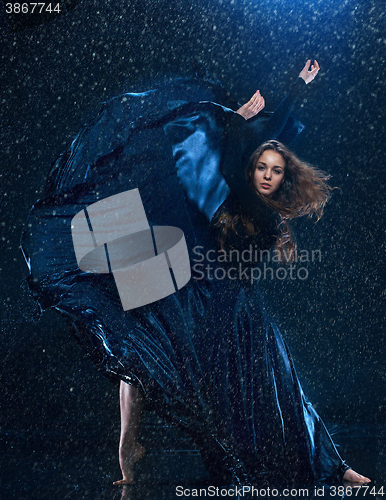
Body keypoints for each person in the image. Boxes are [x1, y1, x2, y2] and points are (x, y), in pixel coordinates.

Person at [21, 59, 370, 487]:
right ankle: (129, 446)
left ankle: (329, 466)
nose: (266, 175)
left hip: (219, 296)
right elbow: (239, 135)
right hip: (185, 268)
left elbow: (268, 136)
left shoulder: (256, 200)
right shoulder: (229, 175)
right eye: (261, 167)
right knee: (141, 342)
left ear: (284, 177)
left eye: (275, 171)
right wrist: (259, 106)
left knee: (266, 375)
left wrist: (288, 94)